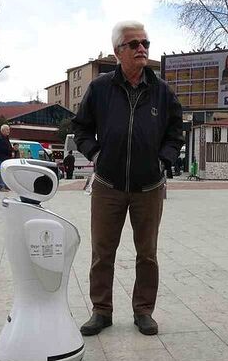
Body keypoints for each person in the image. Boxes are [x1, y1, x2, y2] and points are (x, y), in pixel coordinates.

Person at [72, 20, 183, 337]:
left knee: (147, 254)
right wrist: (95, 154)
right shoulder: (100, 88)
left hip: (149, 187)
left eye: (145, 43)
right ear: (118, 51)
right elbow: (80, 128)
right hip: (107, 185)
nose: (142, 49)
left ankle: (143, 311)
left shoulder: (162, 92)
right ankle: (101, 311)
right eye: (134, 44)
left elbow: (176, 132)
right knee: (102, 253)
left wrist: (164, 160)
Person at [0, 124, 13, 192]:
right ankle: (1, 186)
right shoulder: (0, 138)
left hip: (7, 158)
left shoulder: (6, 138)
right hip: (2, 158)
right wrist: (10, 150)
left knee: (6, 173)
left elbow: (9, 147)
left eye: (9, 129)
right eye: (7, 130)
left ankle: (6, 186)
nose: (9, 131)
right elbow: (3, 149)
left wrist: (12, 149)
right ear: (2, 130)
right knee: (2, 172)